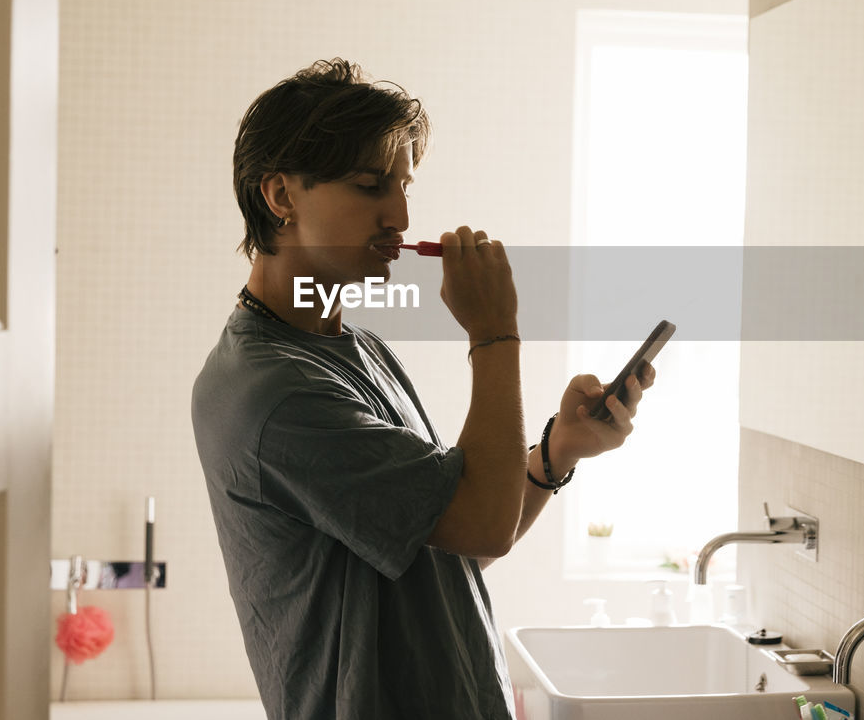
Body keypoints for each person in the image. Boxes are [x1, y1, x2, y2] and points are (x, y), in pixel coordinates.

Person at [191, 58, 654, 719]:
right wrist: (494, 335)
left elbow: (451, 540)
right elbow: (483, 529)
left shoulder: (355, 350)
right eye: (371, 186)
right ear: (282, 196)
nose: (401, 215)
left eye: (404, 187)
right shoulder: (277, 393)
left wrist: (558, 454)